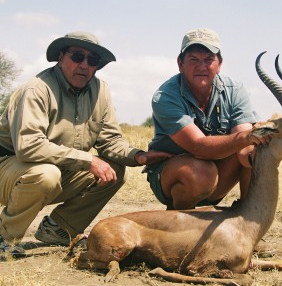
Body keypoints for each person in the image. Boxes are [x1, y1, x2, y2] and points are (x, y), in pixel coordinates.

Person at [0, 31, 171, 258]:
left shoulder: (100, 91)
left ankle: (59, 229)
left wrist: (138, 155)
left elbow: (110, 140)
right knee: (47, 174)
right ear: (61, 57)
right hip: (10, 169)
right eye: (77, 56)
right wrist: (89, 160)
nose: (84, 65)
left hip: (55, 171)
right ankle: (5, 237)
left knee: (114, 171)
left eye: (92, 60)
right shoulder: (37, 89)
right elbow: (29, 146)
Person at [146, 28, 274, 211]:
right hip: (175, 177)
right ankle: (177, 220)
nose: (201, 66)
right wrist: (248, 137)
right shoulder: (165, 96)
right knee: (201, 173)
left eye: (208, 60)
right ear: (180, 63)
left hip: (217, 176)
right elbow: (198, 146)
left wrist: (267, 144)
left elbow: (245, 148)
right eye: (193, 60)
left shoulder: (235, 90)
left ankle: (248, 218)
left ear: (219, 64)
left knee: (257, 152)